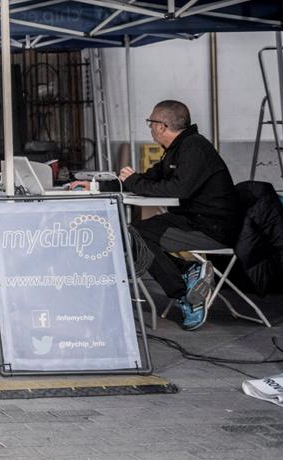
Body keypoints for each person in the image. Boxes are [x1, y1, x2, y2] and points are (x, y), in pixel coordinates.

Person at [72, 99, 242, 330]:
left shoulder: (193, 147)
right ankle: (188, 273)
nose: (149, 127)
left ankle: (185, 295)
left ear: (161, 125)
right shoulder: (177, 149)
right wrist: (95, 187)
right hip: (192, 220)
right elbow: (149, 179)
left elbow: (177, 189)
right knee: (134, 234)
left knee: (137, 237)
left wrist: (134, 181)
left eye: (150, 122)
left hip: (212, 228)